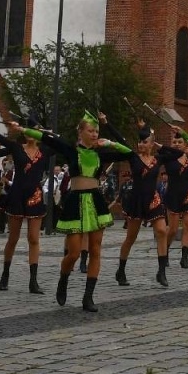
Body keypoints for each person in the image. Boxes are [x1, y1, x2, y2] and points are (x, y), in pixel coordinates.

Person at [24, 113, 130, 311]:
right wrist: (22, 130)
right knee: (73, 253)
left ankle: (88, 297)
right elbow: (46, 138)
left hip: (96, 202)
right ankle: (63, 279)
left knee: (95, 250)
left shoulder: (100, 154)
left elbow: (128, 152)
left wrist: (110, 141)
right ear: (80, 133)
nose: (94, 133)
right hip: (75, 201)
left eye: (96, 131)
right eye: (90, 130)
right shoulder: (72, 151)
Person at [114, 122, 171, 287]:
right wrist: (107, 123)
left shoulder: (158, 159)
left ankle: (161, 272)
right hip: (136, 200)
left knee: (161, 231)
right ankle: (121, 270)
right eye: (140, 142)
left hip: (153, 199)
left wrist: (160, 145)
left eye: (145, 142)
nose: (141, 145)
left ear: (152, 144)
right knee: (131, 238)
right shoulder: (133, 157)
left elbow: (173, 153)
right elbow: (120, 141)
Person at [0, 122, 50, 294]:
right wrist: (14, 128)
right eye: (27, 129)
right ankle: (5, 274)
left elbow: (63, 143)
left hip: (35, 197)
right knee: (13, 238)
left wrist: (46, 134)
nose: (29, 133)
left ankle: (33, 281)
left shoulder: (45, 151)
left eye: (33, 129)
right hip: (17, 195)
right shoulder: (17, 147)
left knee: (34, 238)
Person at [160, 127, 188, 270]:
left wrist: (186, 133)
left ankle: (184, 258)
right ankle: (164, 254)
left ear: (185, 144)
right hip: (173, 195)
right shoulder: (168, 157)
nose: (177, 144)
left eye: (180, 141)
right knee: (172, 229)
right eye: (174, 142)